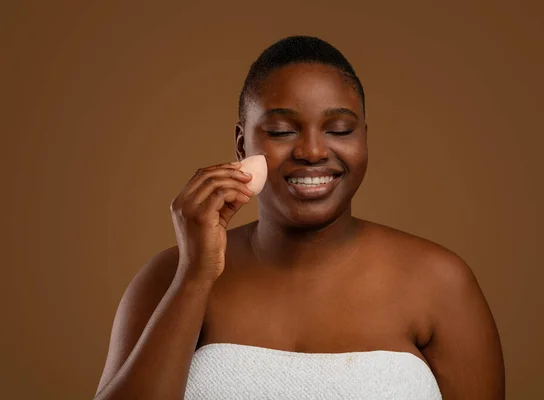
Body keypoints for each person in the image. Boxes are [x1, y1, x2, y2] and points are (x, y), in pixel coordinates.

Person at [93, 36, 505, 399]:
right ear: (242, 144)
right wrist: (194, 277)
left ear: (364, 138)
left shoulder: (440, 283)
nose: (311, 151)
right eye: (282, 131)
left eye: (340, 130)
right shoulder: (171, 275)